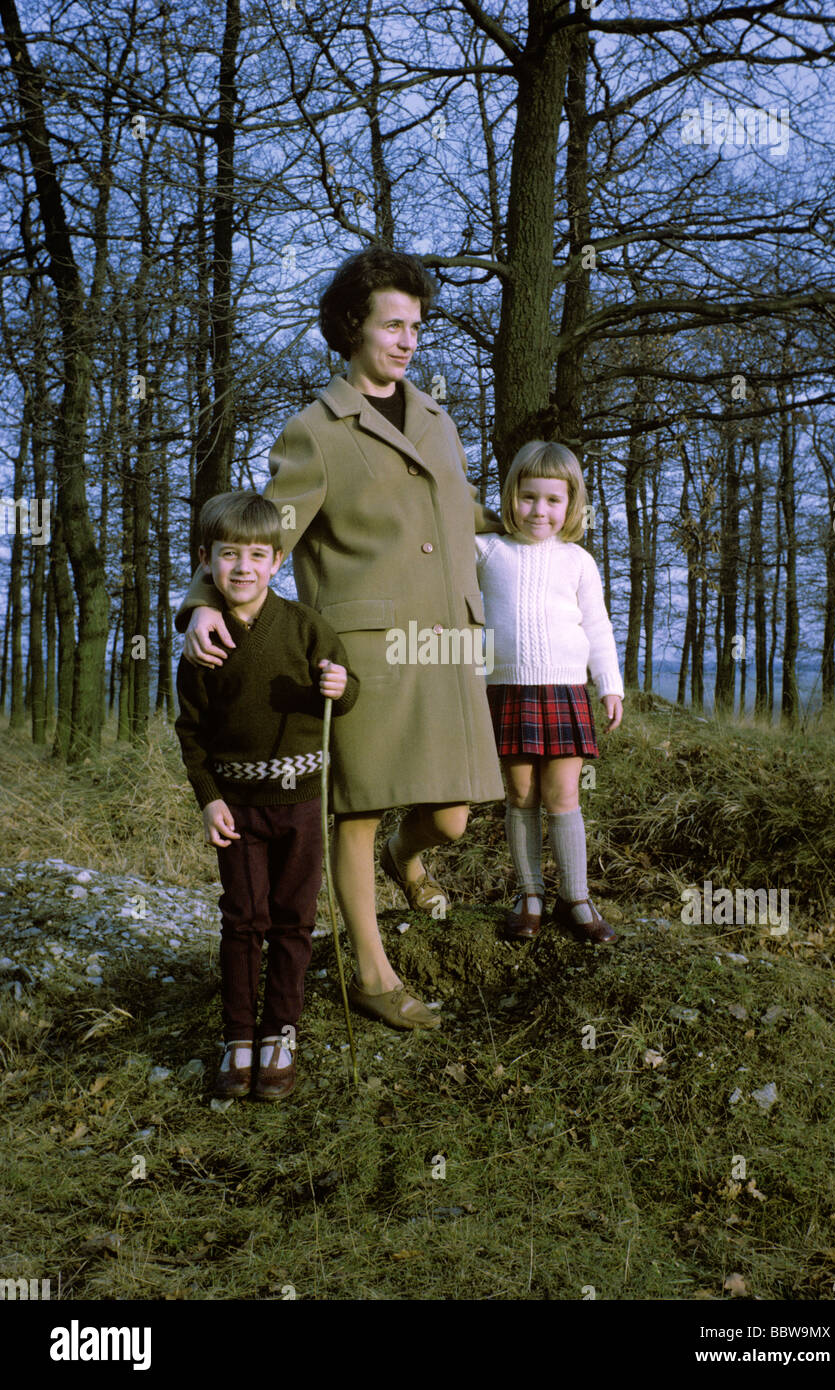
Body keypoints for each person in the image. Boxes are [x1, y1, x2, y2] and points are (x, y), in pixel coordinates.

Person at [175, 248, 504, 1032]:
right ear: (352, 326)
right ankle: (372, 972)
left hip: (450, 646)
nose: (408, 340)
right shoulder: (314, 432)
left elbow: (467, 517)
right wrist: (197, 602)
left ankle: (406, 861)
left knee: (452, 815)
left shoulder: (439, 420)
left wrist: (541, 534)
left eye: (416, 326)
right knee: (356, 813)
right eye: (393, 324)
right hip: (366, 655)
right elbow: (260, 533)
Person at [174, 491, 359, 1100]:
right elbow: (192, 733)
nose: (244, 568)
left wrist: (340, 683)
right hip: (238, 808)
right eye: (230, 555)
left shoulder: (306, 627)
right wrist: (208, 798)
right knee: (242, 920)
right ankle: (238, 1037)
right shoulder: (204, 644)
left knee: (293, 920)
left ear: (277, 560)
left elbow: (347, 685)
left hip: (302, 802)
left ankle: (282, 1031)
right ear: (208, 560)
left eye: (257, 555)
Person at [475, 441, 624, 943]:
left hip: (564, 691)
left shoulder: (578, 561)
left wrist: (610, 684)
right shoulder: (486, 550)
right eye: (528, 496)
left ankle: (575, 898)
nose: (539, 510)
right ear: (510, 496)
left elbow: (598, 627)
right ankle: (530, 894)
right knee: (521, 794)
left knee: (562, 796)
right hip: (507, 688)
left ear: (571, 505)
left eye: (553, 500)